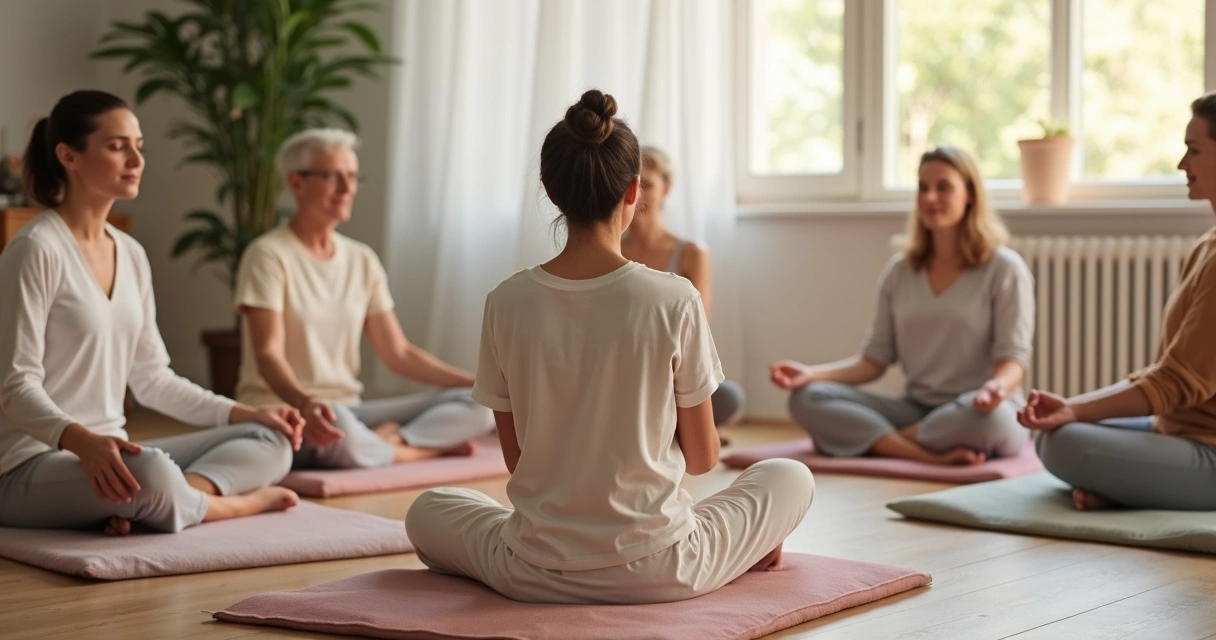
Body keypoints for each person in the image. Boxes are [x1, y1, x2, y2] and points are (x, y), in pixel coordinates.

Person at [404, 90, 814, 605]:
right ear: (634, 191)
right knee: (790, 475)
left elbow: (516, 458)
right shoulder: (674, 297)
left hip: (531, 566)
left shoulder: (505, 301)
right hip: (664, 567)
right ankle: (738, 550)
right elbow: (705, 459)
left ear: (550, 191)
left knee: (428, 509)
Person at [0, 90, 303, 535]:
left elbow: (152, 379)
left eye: (138, 146)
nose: (136, 158)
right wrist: (83, 442)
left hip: (115, 457)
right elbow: (14, 386)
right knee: (153, 474)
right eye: (116, 145)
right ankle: (226, 505)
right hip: (28, 466)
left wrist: (247, 413)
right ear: (69, 155)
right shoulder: (34, 249)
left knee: (270, 440)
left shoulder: (132, 253)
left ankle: (165, 502)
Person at [235, 128, 493, 470]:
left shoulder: (361, 259)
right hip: (292, 412)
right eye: (333, 176)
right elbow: (268, 354)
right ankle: (415, 449)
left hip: (351, 411)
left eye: (352, 176)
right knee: (338, 423)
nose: (347, 188)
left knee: (481, 406)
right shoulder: (267, 255)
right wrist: (307, 403)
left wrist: (481, 385)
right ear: (296, 183)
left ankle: (385, 443)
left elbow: (399, 354)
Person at [771, 146, 1034, 465]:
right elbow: (873, 361)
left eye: (943, 187)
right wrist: (811, 374)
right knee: (806, 399)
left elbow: (1013, 360)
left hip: (977, 410)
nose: (930, 197)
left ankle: (881, 440)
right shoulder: (900, 271)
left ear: (970, 195)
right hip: (916, 408)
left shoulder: (1005, 269)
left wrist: (995, 388)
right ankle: (917, 451)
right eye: (923, 188)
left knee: (993, 423)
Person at [1018, 93, 1216, 511]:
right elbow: (1167, 375)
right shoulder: (1207, 246)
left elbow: (1173, 382)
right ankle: (1131, 489)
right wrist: (1073, 408)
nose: (1182, 164)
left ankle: (1129, 489)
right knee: (1057, 434)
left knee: (1066, 442)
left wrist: (1072, 410)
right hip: (1174, 430)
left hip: (1208, 453)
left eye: (1193, 150)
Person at [621, 146, 746, 432]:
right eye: (630, 184)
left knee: (728, 397)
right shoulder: (609, 249)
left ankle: (662, 427)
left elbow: (698, 329)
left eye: (647, 184)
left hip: (668, 372)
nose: (637, 193)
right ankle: (672, 431)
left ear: (667, 188)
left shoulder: (692, 252)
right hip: (620, 369)